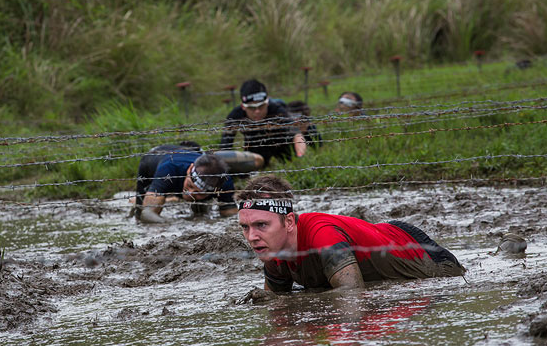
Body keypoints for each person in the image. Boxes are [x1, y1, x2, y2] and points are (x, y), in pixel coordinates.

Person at [237, 175, 466, 292]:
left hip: (429, 259)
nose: (251, 237)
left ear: (288, 221)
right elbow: (276, 304)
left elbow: (352, 295)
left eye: (261, 225)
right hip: (379, 237)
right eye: (245, 227)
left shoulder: (323, 236)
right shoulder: (273, 250)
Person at [134, 142, 236, 223]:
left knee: (201, 214)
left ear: (216, 190)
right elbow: (147, 214)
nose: (190, 193)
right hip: (154, 159)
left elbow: (230, 214)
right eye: (190, 185)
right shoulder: (169, 169)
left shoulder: (224, 181)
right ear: (190, 169)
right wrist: (173, 226)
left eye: (199, 192)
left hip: (185, 158)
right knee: (139, 213)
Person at [219, 79, 307, 168]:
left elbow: (296, 134)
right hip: (254, 144)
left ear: (267, 102)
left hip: (280, 142)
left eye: (261, 106)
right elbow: (225, 147)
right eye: (252, 108)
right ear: (243, 106)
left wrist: (300, 155)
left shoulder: (278, 110)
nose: (257, 111)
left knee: (292, 165)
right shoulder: (235, 116)